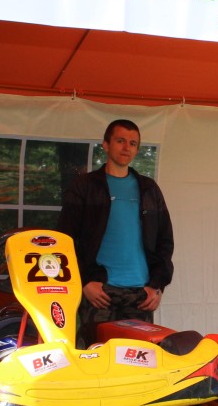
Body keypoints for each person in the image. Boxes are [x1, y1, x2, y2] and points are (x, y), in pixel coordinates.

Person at [58, 119, 174, 346]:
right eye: (120, 141)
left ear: (137, 149)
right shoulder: (85, 186)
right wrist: (84, 281)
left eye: (133, 143)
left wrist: (156, 286)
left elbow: (165, 241)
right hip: (99, 292)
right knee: (94, 357)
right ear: (106, 144)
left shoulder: (149, 189)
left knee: (138, 360)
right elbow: (65, 239)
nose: (126, 147)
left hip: (141, 295)